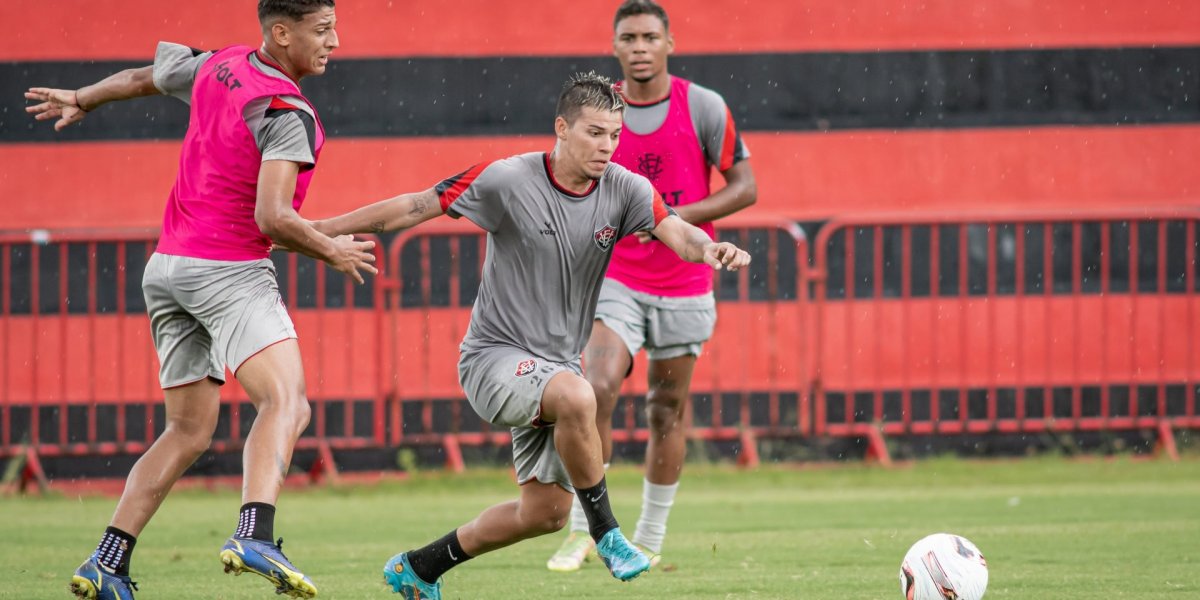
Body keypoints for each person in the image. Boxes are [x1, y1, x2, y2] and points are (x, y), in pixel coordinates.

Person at [311, 71, 750, 599]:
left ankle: (419, 567)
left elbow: (676, 231)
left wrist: (708, 249)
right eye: (594, 132)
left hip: (555, 368)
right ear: (561, 128)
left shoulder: (626, 188)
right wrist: (316, 231)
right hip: (493, 360)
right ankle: (608, 534)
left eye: (614, 134)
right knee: (578, 395)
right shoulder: (507, 179)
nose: (607, 146)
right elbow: (414, 206)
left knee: (543, 514)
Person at [25, 1, 376, 598]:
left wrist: (84, 97)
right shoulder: (287, 110)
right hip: (226, 269)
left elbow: (144, 77)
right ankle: (253, 532)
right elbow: (272, 216)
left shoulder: (221, 65)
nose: (336, 42)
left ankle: (106, 561)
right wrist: (333, 250)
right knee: (287, 403)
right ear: (281, 32)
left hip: (167, 269)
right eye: (323, 30)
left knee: (186, 432)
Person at [546, 0, 758, 573]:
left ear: (669, 43)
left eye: (649, 37)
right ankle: (583, 530)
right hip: (616, 278)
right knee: (597, 387)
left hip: (687, 280)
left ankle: (650, 534)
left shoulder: (704, 107)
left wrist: (672, 217)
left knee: (666, 410)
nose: (639, 47)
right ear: (614, 46)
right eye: (628, 38)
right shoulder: (600, 112)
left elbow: (745, 187)